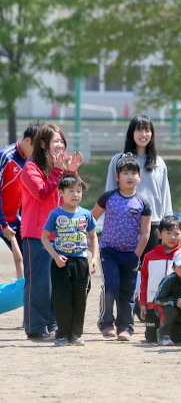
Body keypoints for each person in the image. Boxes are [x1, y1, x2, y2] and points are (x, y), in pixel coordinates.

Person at [21, 123, 84, 340]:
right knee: (39, 283)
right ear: (42, 144)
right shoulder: (30, 168)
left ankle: (54, 324)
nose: (60, 145)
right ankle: (36, 327)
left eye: (61, 141)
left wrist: (72, 171)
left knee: (58, 282)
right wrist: (59, 170)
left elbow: (71, 194)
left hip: (61, 235)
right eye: (55, 141)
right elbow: (41, 193)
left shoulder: (61, 168)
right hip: (36, 234)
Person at [91, 153, 151, 341]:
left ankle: (126, 327)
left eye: (134, 173)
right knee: (111, 286)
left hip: (131, 254)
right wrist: (91, 242)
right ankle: (106, 322)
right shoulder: (107, 198)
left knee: (127, 291)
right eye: (125, 173)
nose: (130, 177)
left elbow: (145, 233)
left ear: (139, 177)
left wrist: (136, 254)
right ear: (117, 177)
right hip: (109, 251)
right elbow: (91, 219)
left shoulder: (143, 203)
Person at [40, 173, 98, 346]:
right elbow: (44, 237)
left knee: (80, 298)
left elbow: (93, 237)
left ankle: (76, 335)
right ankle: (62, 335)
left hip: (81, 261)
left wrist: (94, 258)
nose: (75, 194)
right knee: (62, 299)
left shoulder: (86, 214)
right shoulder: (55, 214)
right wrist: (56, 256)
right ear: (61, 193)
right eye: (71, 191)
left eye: (79, 191)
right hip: (61, 262)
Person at [105, 116, 172, 255]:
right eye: (139, 130)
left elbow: (165, 195)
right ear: (132, 133)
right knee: (128, 270)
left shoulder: (159, 162)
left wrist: (169, 222)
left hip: (153, 223)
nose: (144, 134)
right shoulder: (118, 159)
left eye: (147, 130)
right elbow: (110, 193)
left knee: (150, 271)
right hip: (125, 223)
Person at [0, 121, 42, 269]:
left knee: (29, 259)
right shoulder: (5, 156)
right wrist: (2, 224)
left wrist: (26, 220)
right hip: (2, 219)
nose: (38, 154)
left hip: (13, 219)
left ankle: (26, 291)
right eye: (36, 149)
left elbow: (27, 195)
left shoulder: (32, 162)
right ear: (28, 141)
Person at [139, 215, 181, 343]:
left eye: (176, 234)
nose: (172, 237)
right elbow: (144, 281)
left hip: (175, 305)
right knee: (151, 339)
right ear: (159, 234)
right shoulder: (149, 256)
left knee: (176, 338)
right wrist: (143, 303)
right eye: (168, 233)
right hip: (153, 304)